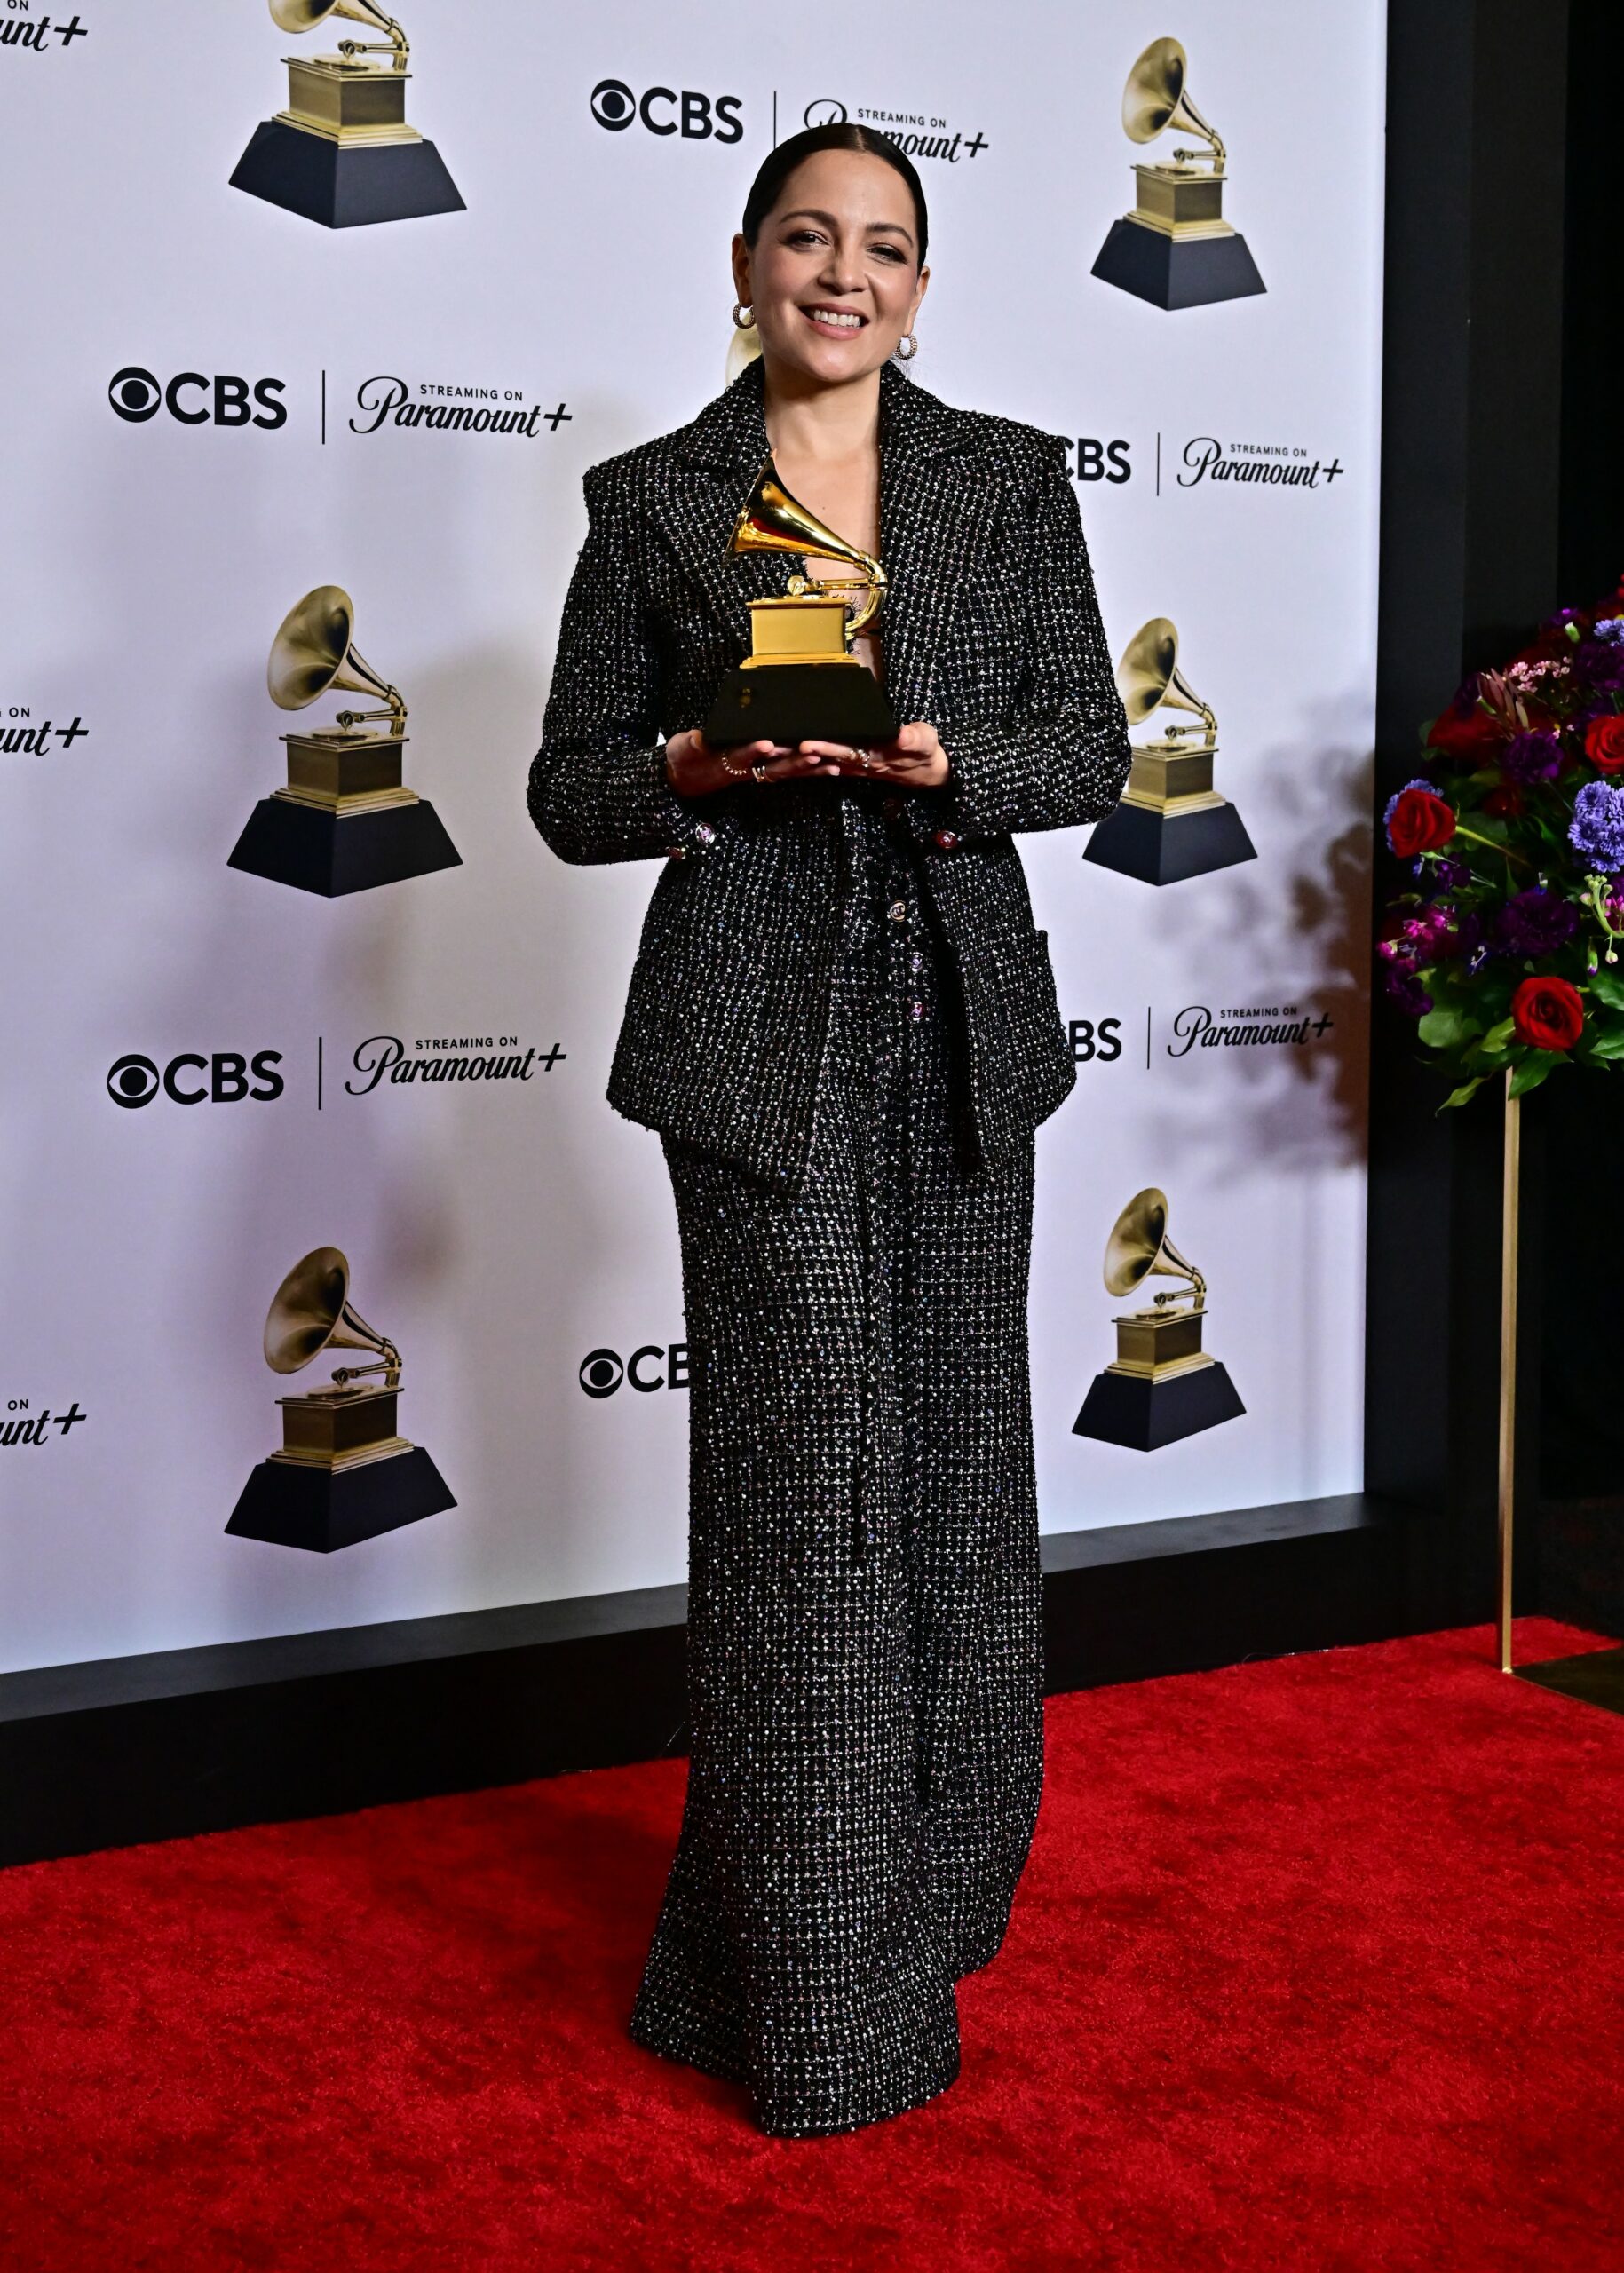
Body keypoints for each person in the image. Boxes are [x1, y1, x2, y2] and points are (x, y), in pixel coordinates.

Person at [529, 123, 1130, 2138]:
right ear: (747, 263)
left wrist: (953, 765)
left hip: (962, 1032)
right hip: (750, 1040)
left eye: (881, 246)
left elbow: (1092, 741)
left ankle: (936, 1908)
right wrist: (699, 764)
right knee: (806, 1506)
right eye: (807, 237)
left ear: (921, 289)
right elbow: (569, 789)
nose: (842, 274)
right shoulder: (650, 500)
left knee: (954, 1478)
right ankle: (801, 1988)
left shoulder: (1005, 479)